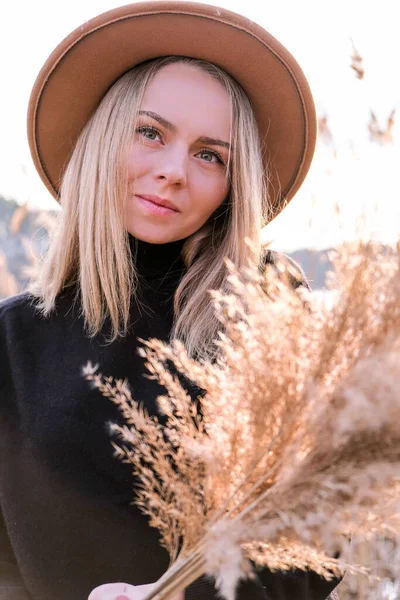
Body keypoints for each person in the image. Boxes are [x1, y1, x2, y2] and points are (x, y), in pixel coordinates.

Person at [0, 2, 340, 599]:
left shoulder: (265, 310)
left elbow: (318, 534)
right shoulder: (12, 339)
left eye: (210, 155)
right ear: (103, 139)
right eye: (150, 132)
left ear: (234, 186)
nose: (174, 171)